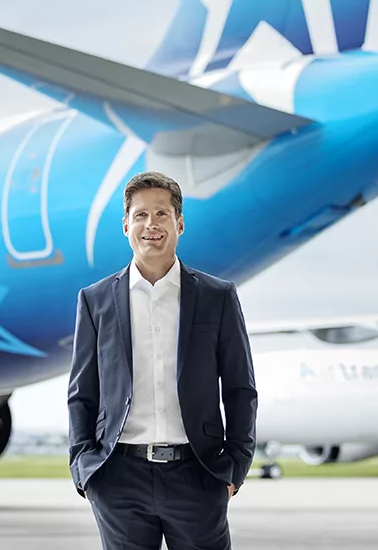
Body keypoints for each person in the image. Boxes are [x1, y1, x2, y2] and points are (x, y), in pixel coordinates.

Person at [67, 171, 258, 549]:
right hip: (118, 477)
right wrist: (84, 467)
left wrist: (234, 466)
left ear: (179, 224)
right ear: (126, 225)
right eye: (140, 215)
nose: (150, 224)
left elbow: (240, 388)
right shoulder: (95, 300)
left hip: (198, 474)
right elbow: (82, 392)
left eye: (161, 214)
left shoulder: (217, 296)